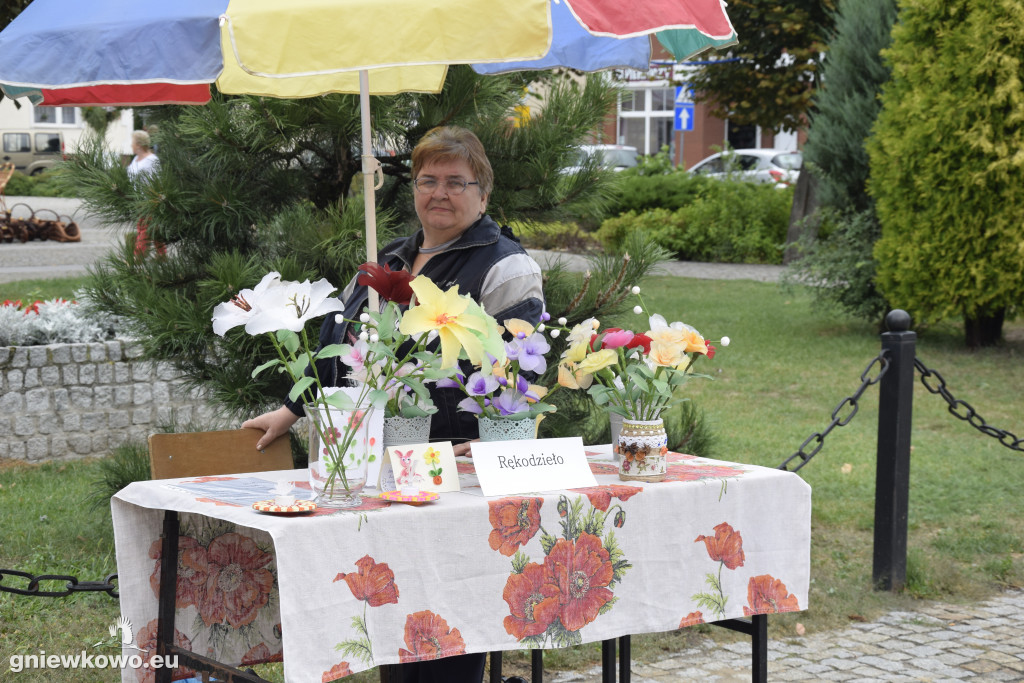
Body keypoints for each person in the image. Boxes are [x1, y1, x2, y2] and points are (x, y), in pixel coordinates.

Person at [243, 126, 545, 682]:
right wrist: (293, 407)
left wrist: (493, 436)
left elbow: (515, 366)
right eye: (428, 180)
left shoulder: (506, 266)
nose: (440, 193)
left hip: (451, 463)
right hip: (380, 461)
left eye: (457, 182)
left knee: (443, 617)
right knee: (392, 612)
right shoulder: (392, 257)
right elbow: (343, 346)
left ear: (484, 194)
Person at [126, 129, 164, 256]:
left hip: (148, 200)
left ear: (139, 145)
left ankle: (138, 257)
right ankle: (162, 255)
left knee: (144, 228)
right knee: (152, 229)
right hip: (137, 200)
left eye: (132, 142)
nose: (131, 145)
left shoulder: (152, 160)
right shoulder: (136, 159)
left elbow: (157, 181)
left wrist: (153, 200)